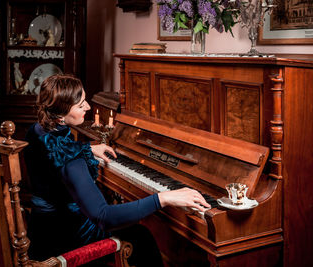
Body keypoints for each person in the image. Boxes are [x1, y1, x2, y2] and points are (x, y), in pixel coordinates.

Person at [24, 74, 211, 266]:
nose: (88, 107)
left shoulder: (37, 130)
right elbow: (104, 217)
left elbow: (53, 154)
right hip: (65, 239)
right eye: (81, 105)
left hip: (42, 229)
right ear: (61, 114)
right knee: (141, 235)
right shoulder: (72, 161)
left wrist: (86, 148)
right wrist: (164, 198)